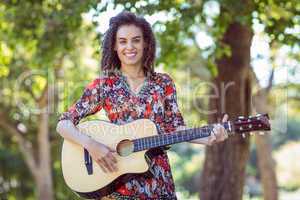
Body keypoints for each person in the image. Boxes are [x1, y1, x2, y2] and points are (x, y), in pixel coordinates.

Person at [56, 11, 228, 200]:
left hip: (159, 184)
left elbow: (176, 128)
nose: (129, 47)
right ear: (114, 45)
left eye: (136, 40)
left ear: (146, 43)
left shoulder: (163, 83)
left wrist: (209, 137)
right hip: (118, 186)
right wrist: (92, 146)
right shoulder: (104, 85)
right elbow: (63, 124)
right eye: (122, 41)